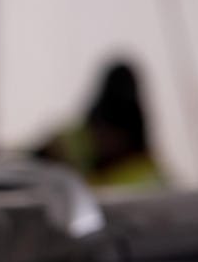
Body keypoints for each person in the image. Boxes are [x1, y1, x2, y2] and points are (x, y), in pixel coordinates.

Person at [36, 60, 163, 188]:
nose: (107, 140)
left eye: (115, 133)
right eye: (102, 129)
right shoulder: (74, 139)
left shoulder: (146, 173)